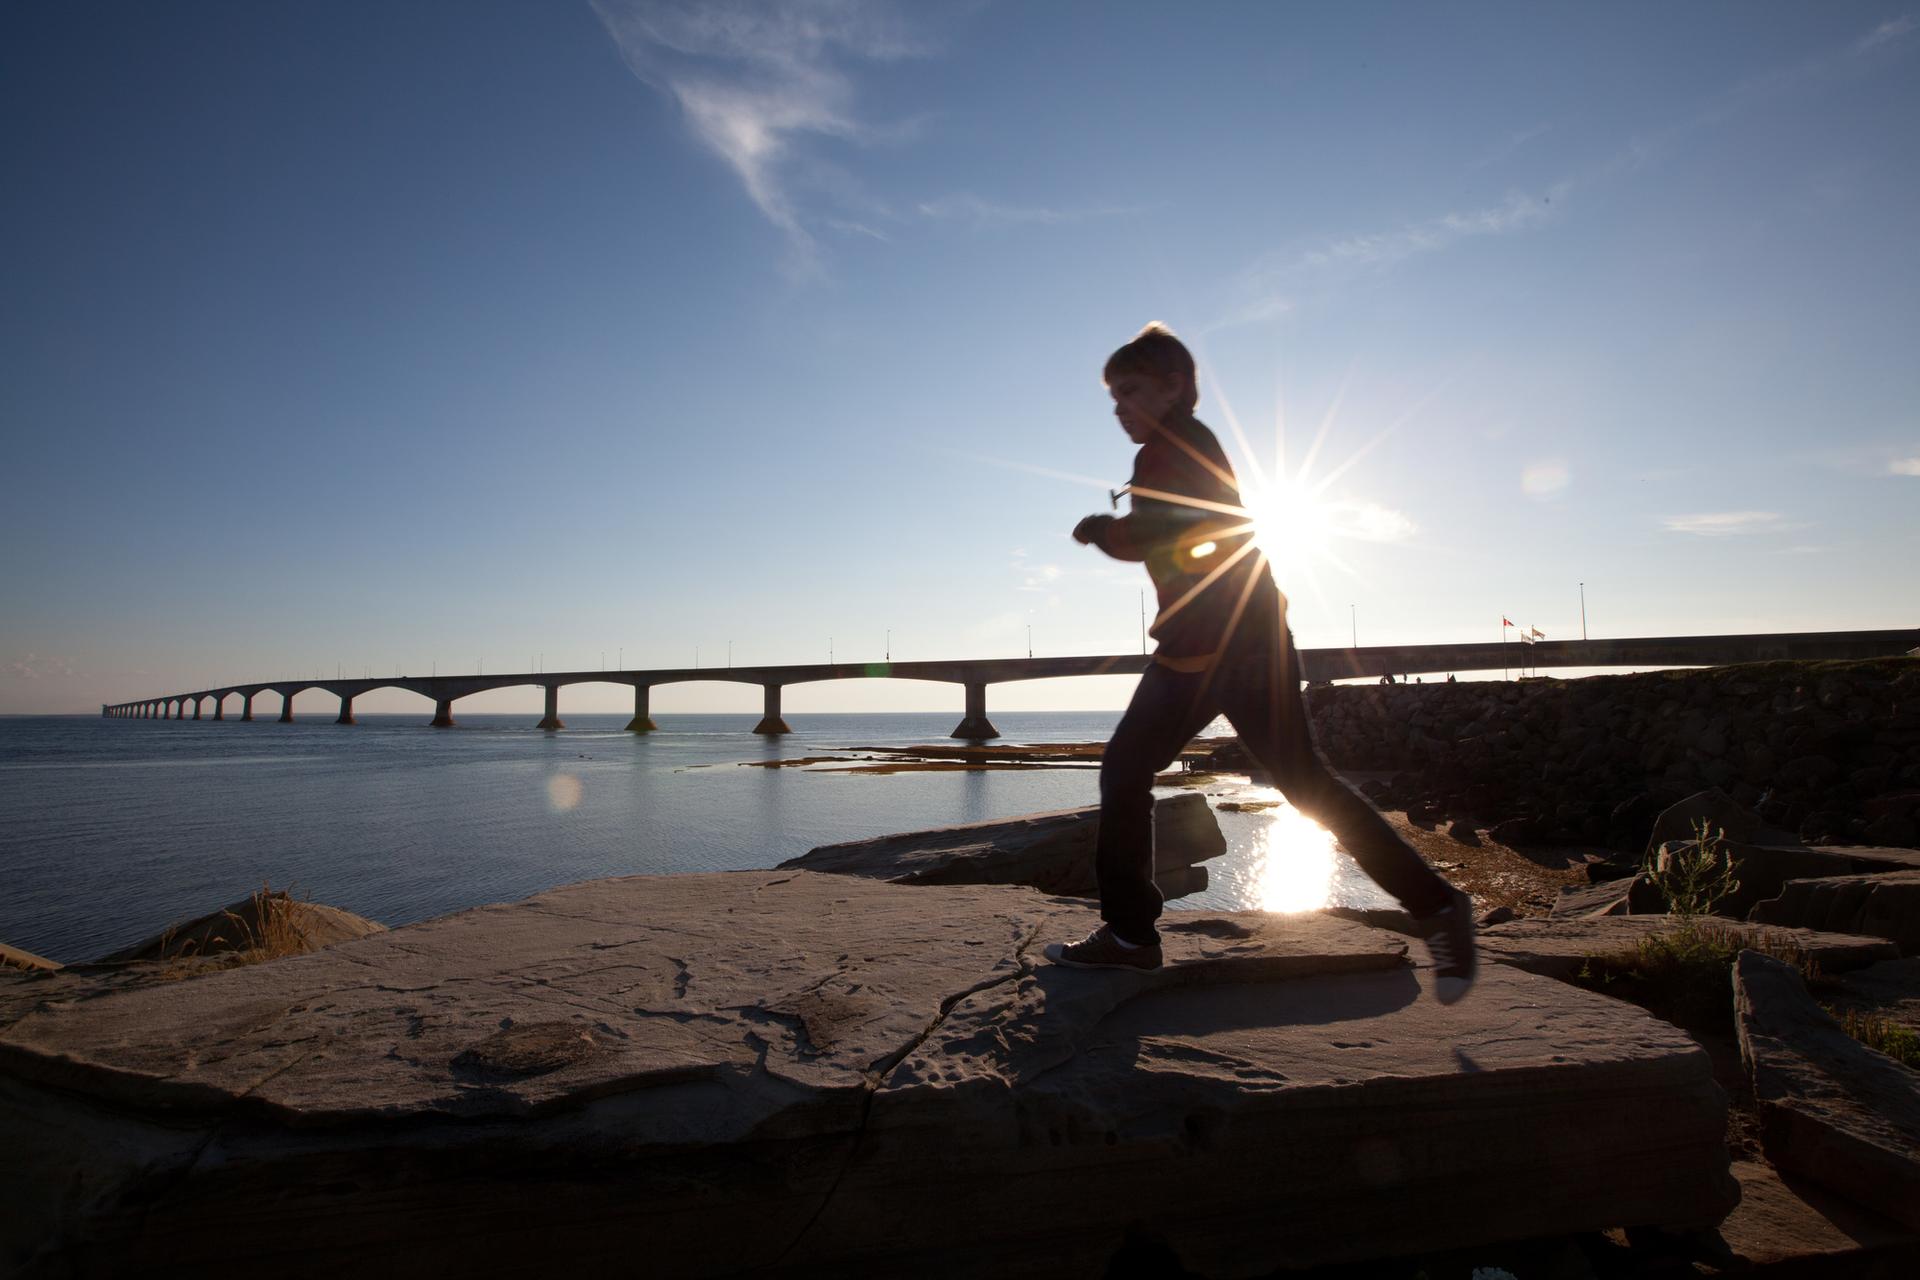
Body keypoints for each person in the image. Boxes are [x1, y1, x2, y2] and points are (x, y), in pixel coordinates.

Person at [1043, 323, 1477, 1003]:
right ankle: (1437, 907)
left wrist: (1102, 531)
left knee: (1125, 769)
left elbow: (1169, 534)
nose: (1119, 406)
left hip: (1209, 649)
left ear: (1174, 386)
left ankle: (1130, 940)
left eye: (1129, 390)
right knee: (1305, 785)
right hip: (1250, 639)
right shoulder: (1187, 446)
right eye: (1113, 396)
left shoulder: (1170, 448)